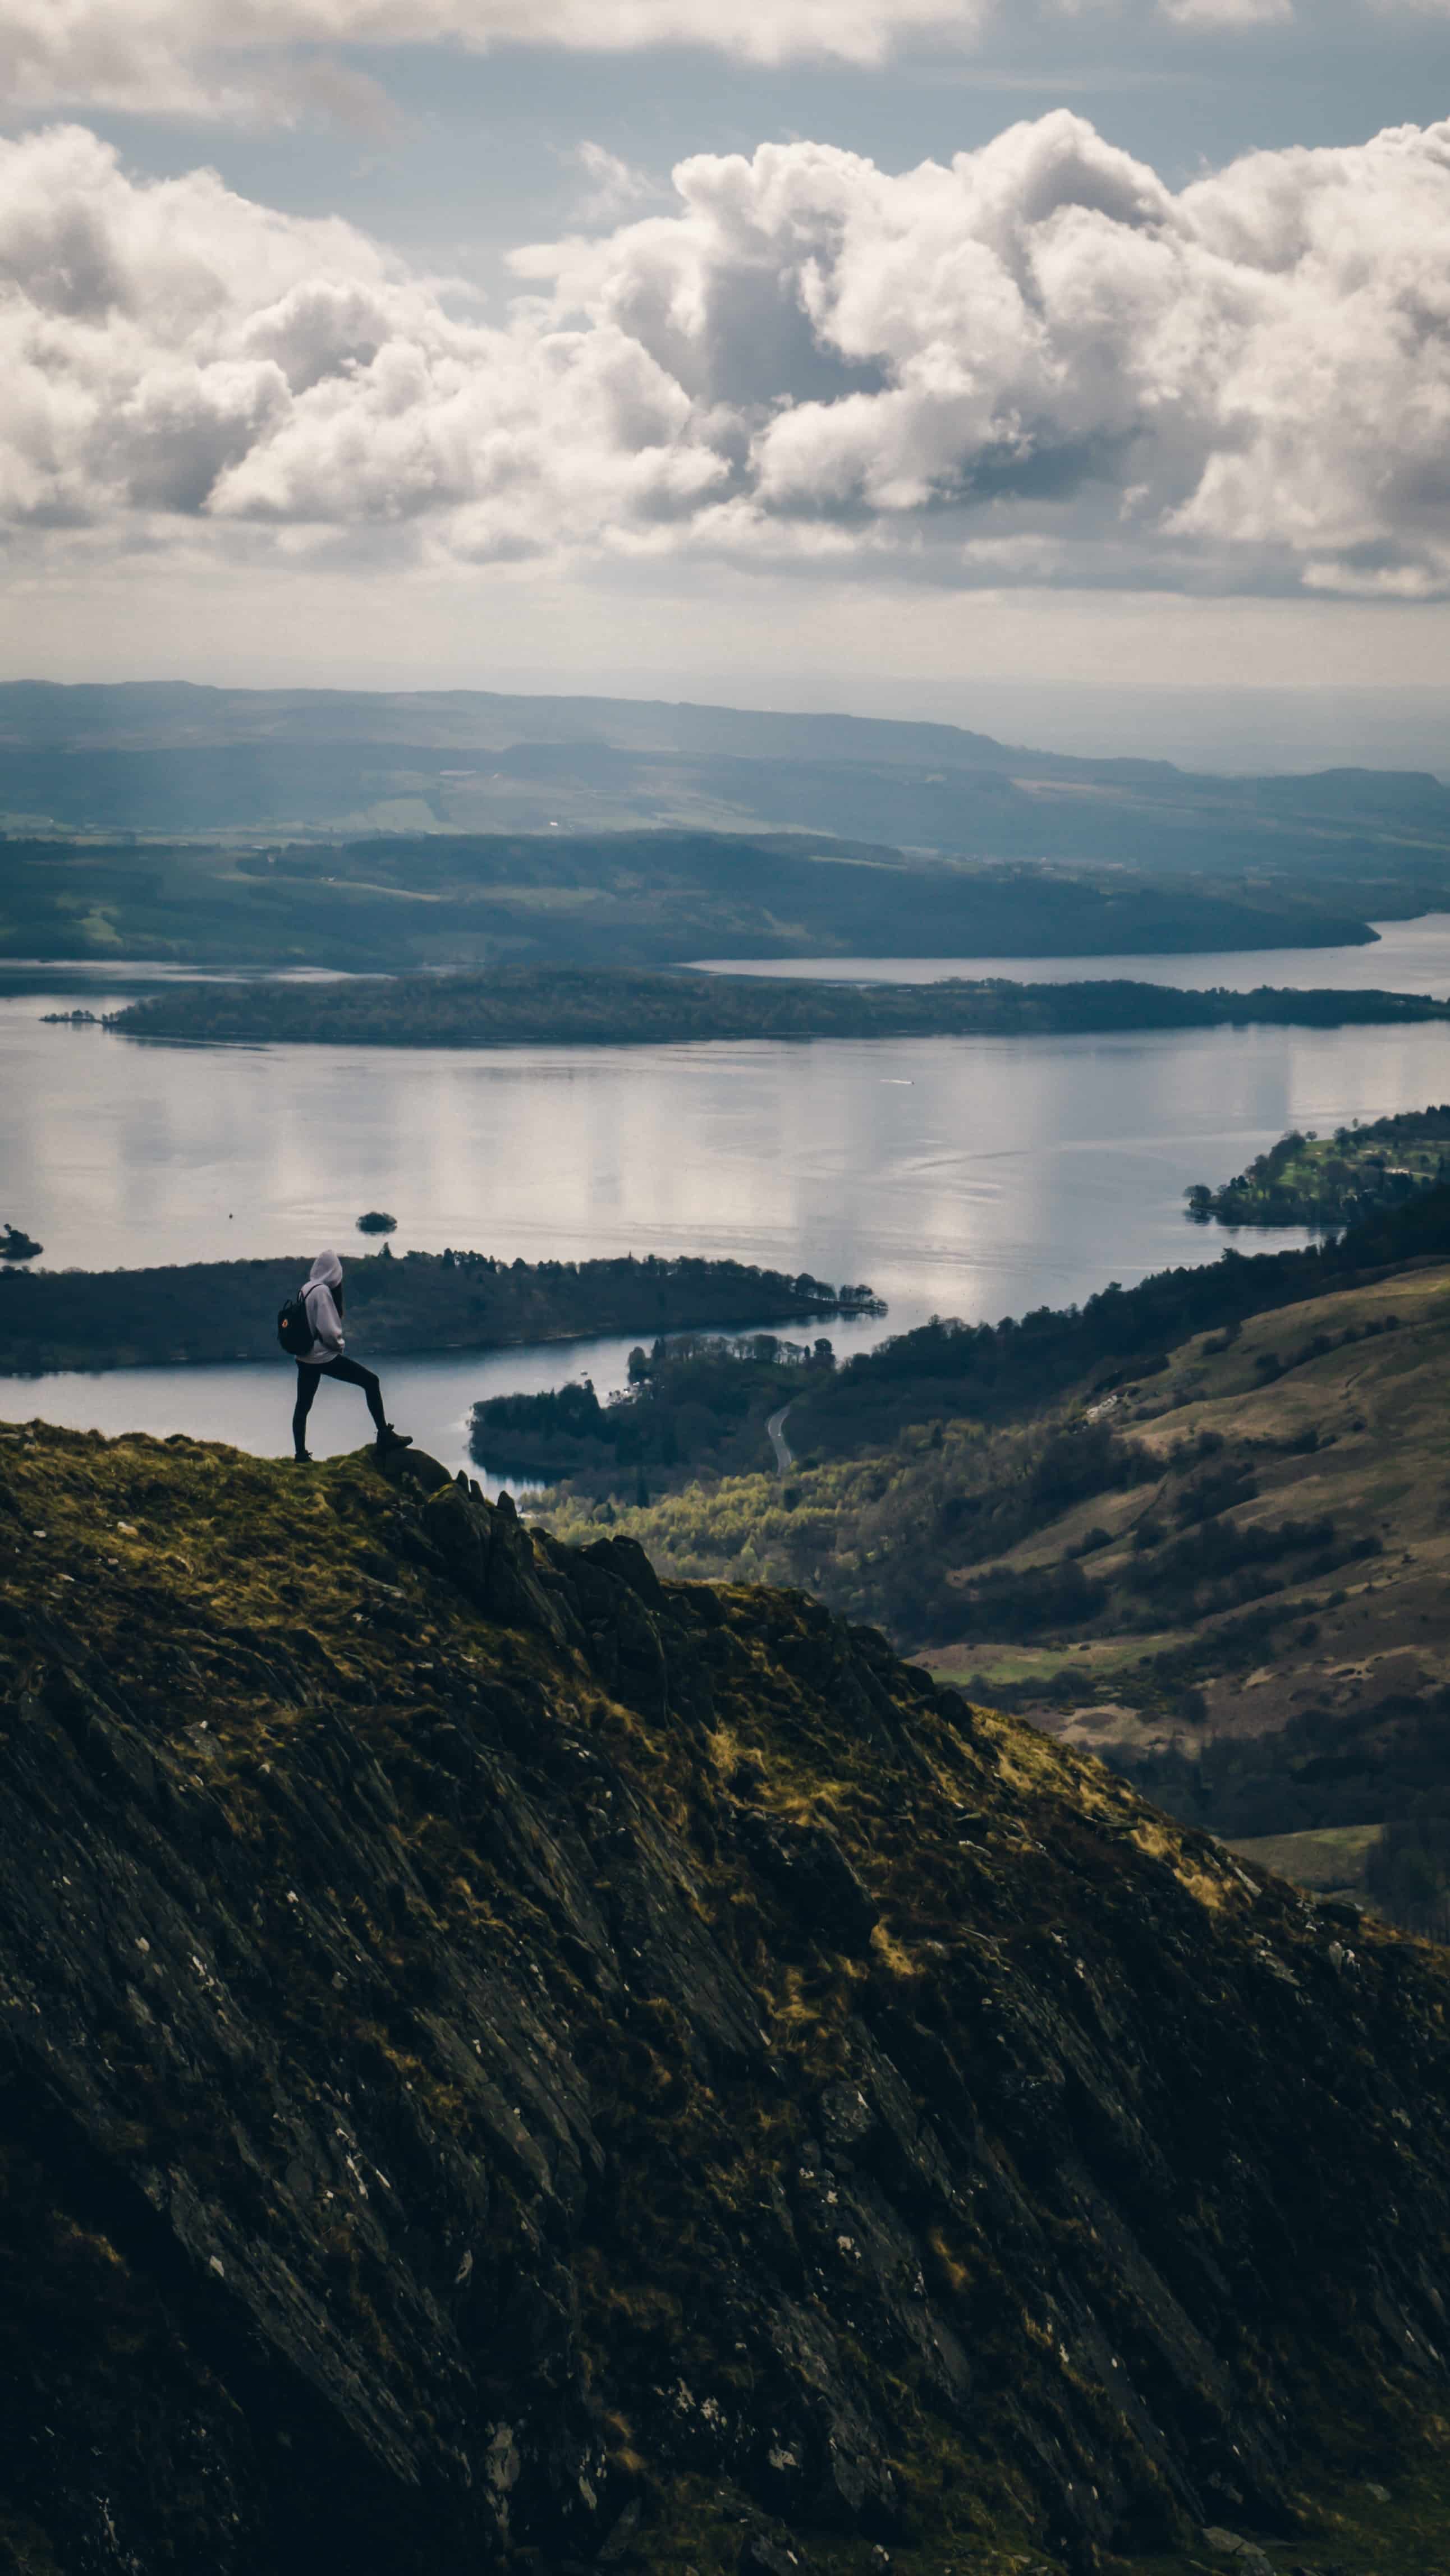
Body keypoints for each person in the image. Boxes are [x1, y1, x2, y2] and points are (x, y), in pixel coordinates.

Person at [291, 1250, 411, 1464]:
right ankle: (384, 1435)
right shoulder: (322, 1292)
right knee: (371, 1382)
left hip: (304, 1357)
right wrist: (339, 1347)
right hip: (323, 1356)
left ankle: (300, 1454)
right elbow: (329, 1331)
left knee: (303, 1406)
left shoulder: (306, 1288)